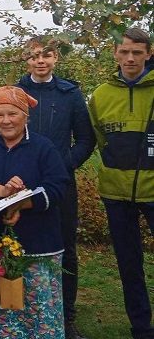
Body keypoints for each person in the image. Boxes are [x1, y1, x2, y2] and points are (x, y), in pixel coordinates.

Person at [0, 86, 69, 338]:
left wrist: (21, 202)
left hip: (38, 244)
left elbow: (57, 185)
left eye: (13, 113)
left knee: (37, 310)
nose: (6, 121)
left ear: (25, 116)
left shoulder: (43, 147)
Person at [16, 37, 96, 339]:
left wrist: (65, 165)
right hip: (22, 183)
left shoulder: (70, 94)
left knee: (64, 248)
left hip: (60, 183)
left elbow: (86, 139)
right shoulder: (17, 91)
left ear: (55, 59)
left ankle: (65, 314)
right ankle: (24, 308)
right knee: (20, 244)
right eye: (34, 56)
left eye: (46, 55)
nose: (40, 61)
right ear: (27, 60)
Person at [89, 27, 153, 339]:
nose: (130, 58)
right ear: (115, 53)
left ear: (148, 54)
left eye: (137, 53)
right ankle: (141, 328)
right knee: (130, 266)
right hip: (115, 194)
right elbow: (100, 140)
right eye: (124, 51)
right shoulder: (100, 95)